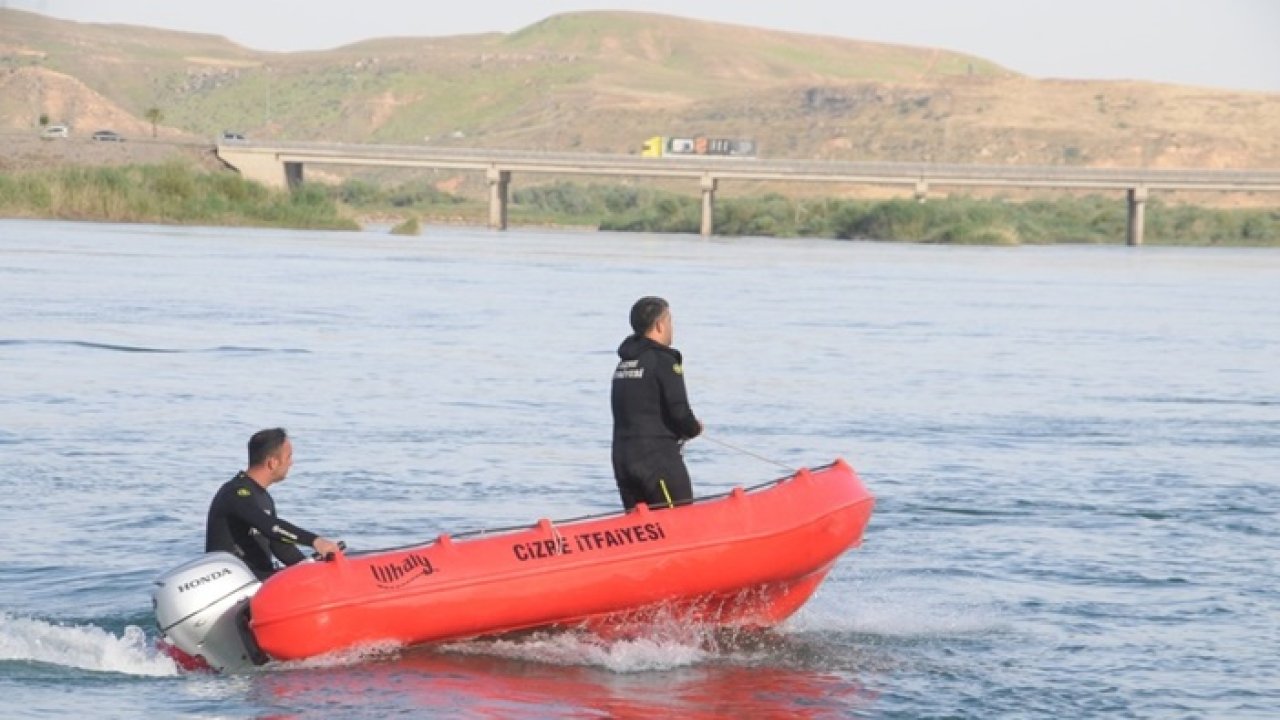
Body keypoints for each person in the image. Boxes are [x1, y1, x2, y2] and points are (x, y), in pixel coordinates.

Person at [205, 428, 340, 580]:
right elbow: (269, 526)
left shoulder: (264, 498)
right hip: (236, 585)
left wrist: (312, 568)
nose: (291, 463)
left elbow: (280, 546)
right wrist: (315, 541)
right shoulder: (235, 493)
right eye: (289, 457)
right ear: (273, 463)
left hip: (261, 581)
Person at [611, 296, 703, 511]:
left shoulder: (624, 364)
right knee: (678, 523)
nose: (672, 327)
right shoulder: (664, 360)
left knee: (643, 533)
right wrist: (694, 428)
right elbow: (679, 411)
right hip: (657, 462)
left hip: (623, 460)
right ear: (660, 325)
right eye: (670, 321)